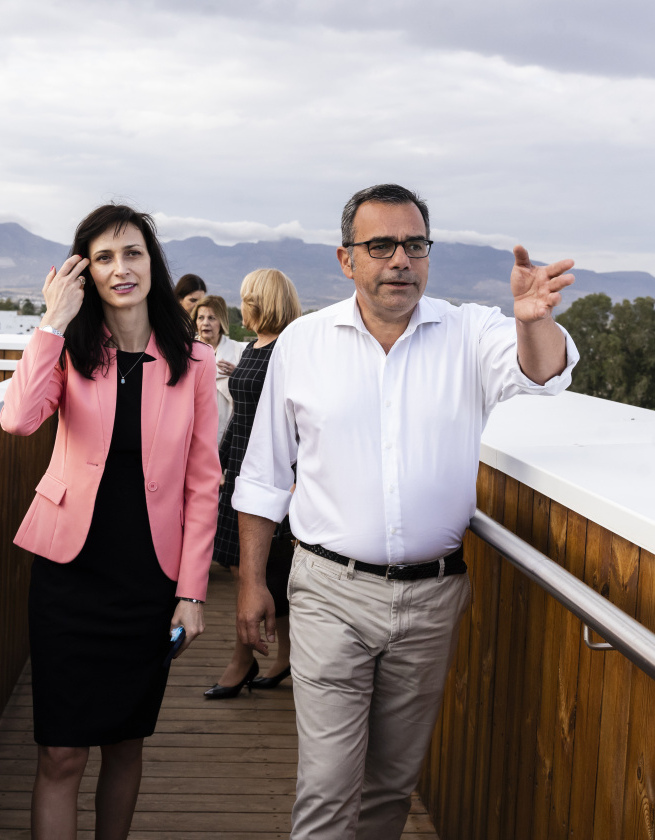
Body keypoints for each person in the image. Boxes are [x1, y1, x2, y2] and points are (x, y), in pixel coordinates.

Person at [232, 184, 579, 839]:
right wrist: (252, 582)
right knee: (329, 787)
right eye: (381, 245)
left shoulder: (471, 332)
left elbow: (541, 375)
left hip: (432, 600)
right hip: (329, 592)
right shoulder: (303, 344)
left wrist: (534, 321)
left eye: (414, 245)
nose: (399, 259)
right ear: (347, 260)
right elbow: (264, 476)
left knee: (390, 790)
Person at [0, 203, 221, 840]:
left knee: (126, 744)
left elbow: (203, 483)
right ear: (83, 272)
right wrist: (50, 323)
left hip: (148, 579)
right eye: (103, 258)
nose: (120, 269)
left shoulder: (195, 364)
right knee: (61, 752)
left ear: (153, 263)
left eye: (133, 254)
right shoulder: (67, 348)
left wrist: (192, 591)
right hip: (70, 574)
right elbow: (18, 420)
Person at [205, 269, 302, 699]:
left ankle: (244, 659)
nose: (241, 306)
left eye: (247, 298)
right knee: (246, 567)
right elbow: (241, 418)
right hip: (239, 475)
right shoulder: (253, 347)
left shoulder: (290, 351)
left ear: (262, 302)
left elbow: (299, 424)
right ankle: (282, 656)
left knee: (256, 570)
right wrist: (217, 464)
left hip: (270, 480)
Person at [192, 294, 248, 442]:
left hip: (226, 431)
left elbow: (249, 393)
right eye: (201, 318)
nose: (205, 323)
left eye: (212, 318)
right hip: (193, 426)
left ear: (221, 321)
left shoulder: (238, 351)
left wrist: (237, 375)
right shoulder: (186, 351)